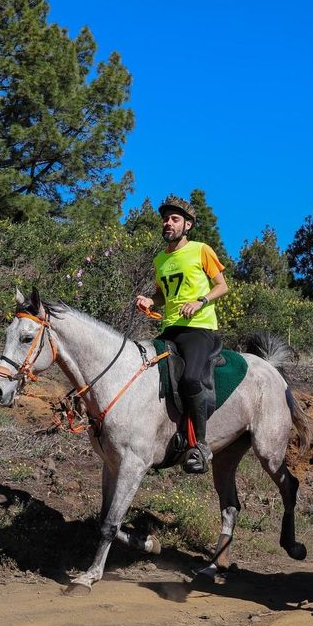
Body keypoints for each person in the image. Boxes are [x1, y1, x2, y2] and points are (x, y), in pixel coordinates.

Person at [135, 195, 229, 474]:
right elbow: (163, 295)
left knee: (190, 378)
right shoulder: (160, 259)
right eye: (165, 218)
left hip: (198, 328)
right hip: (169, 328)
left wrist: (200, 301)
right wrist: (152, 302)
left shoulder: (201, 250)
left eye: (174, 219)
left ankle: (200, 445)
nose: (168, 223)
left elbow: (222, 286)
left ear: (187, 225)